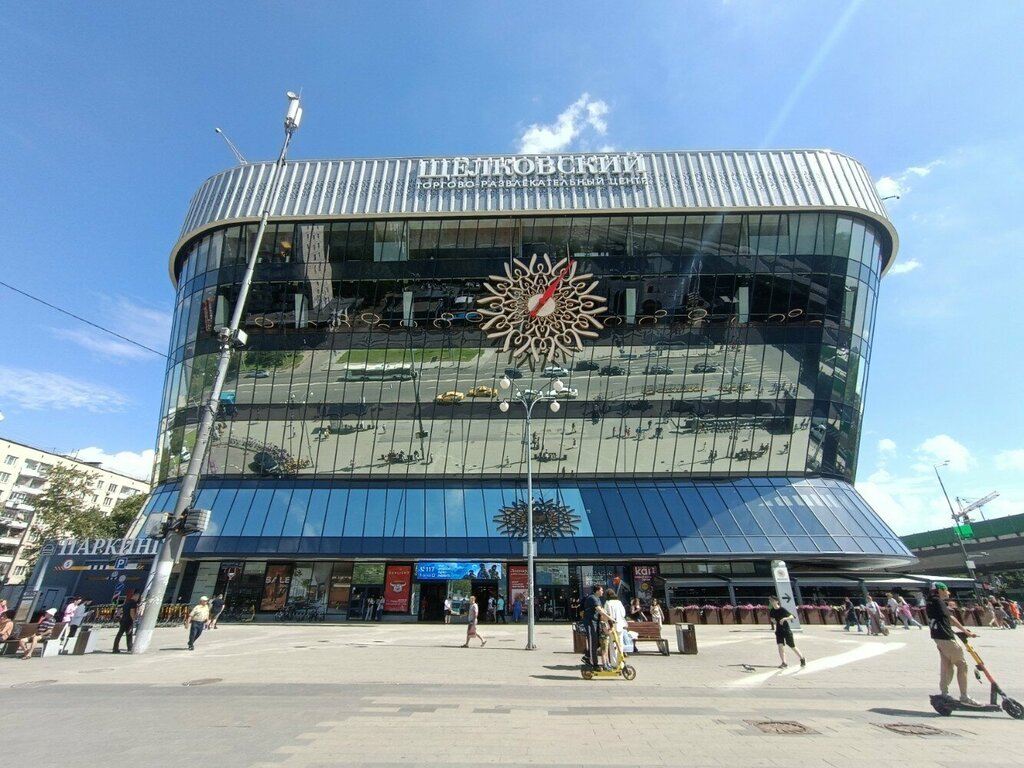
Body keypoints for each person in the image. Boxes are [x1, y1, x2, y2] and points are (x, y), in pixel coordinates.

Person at [926, 582, 981, 706]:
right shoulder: (937, 601)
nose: (948, 592)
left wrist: (965, 631)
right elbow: (951, 618)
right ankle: (964, 696)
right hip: (946, 637)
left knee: (946, 665)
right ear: (939, 590)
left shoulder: (930, 601)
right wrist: (965, 631)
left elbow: (947, 617)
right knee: (962, 665)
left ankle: (944, 693)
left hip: (938, 637)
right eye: (946, 590)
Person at [768, 596, 806, 669]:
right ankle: (784, 663)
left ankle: (802, 658)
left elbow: (792, 616)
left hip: (786, 630)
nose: (771, 602)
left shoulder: (782, 609)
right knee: (780, 646)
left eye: (772, 600)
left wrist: (785, 618)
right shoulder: (772, 611)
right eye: (770, 601)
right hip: (778, 630)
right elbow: (772, 618)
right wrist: (773, 620)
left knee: (792, 646)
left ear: (777, 601)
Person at [581, 585, 610, 669]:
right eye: (601, 590)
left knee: (597, 642)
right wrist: (610, 619)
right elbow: (600, 610)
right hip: (590, 623)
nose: (602, 592)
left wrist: (609, 619)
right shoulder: (592, 598)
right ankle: (593, 663)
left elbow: (602, 610)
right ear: (597, 591)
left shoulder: (598, 599)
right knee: (592, 643)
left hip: (596, 623)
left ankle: (587, 656)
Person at [603, 588, 629, 664]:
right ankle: (621, 663)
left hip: (612, 626)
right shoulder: (619, 602)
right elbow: (623, 614)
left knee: (612, 645)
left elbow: (606, 615)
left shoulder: (607, 603)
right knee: (620, 644)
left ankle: (614, 663)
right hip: (620, 625)